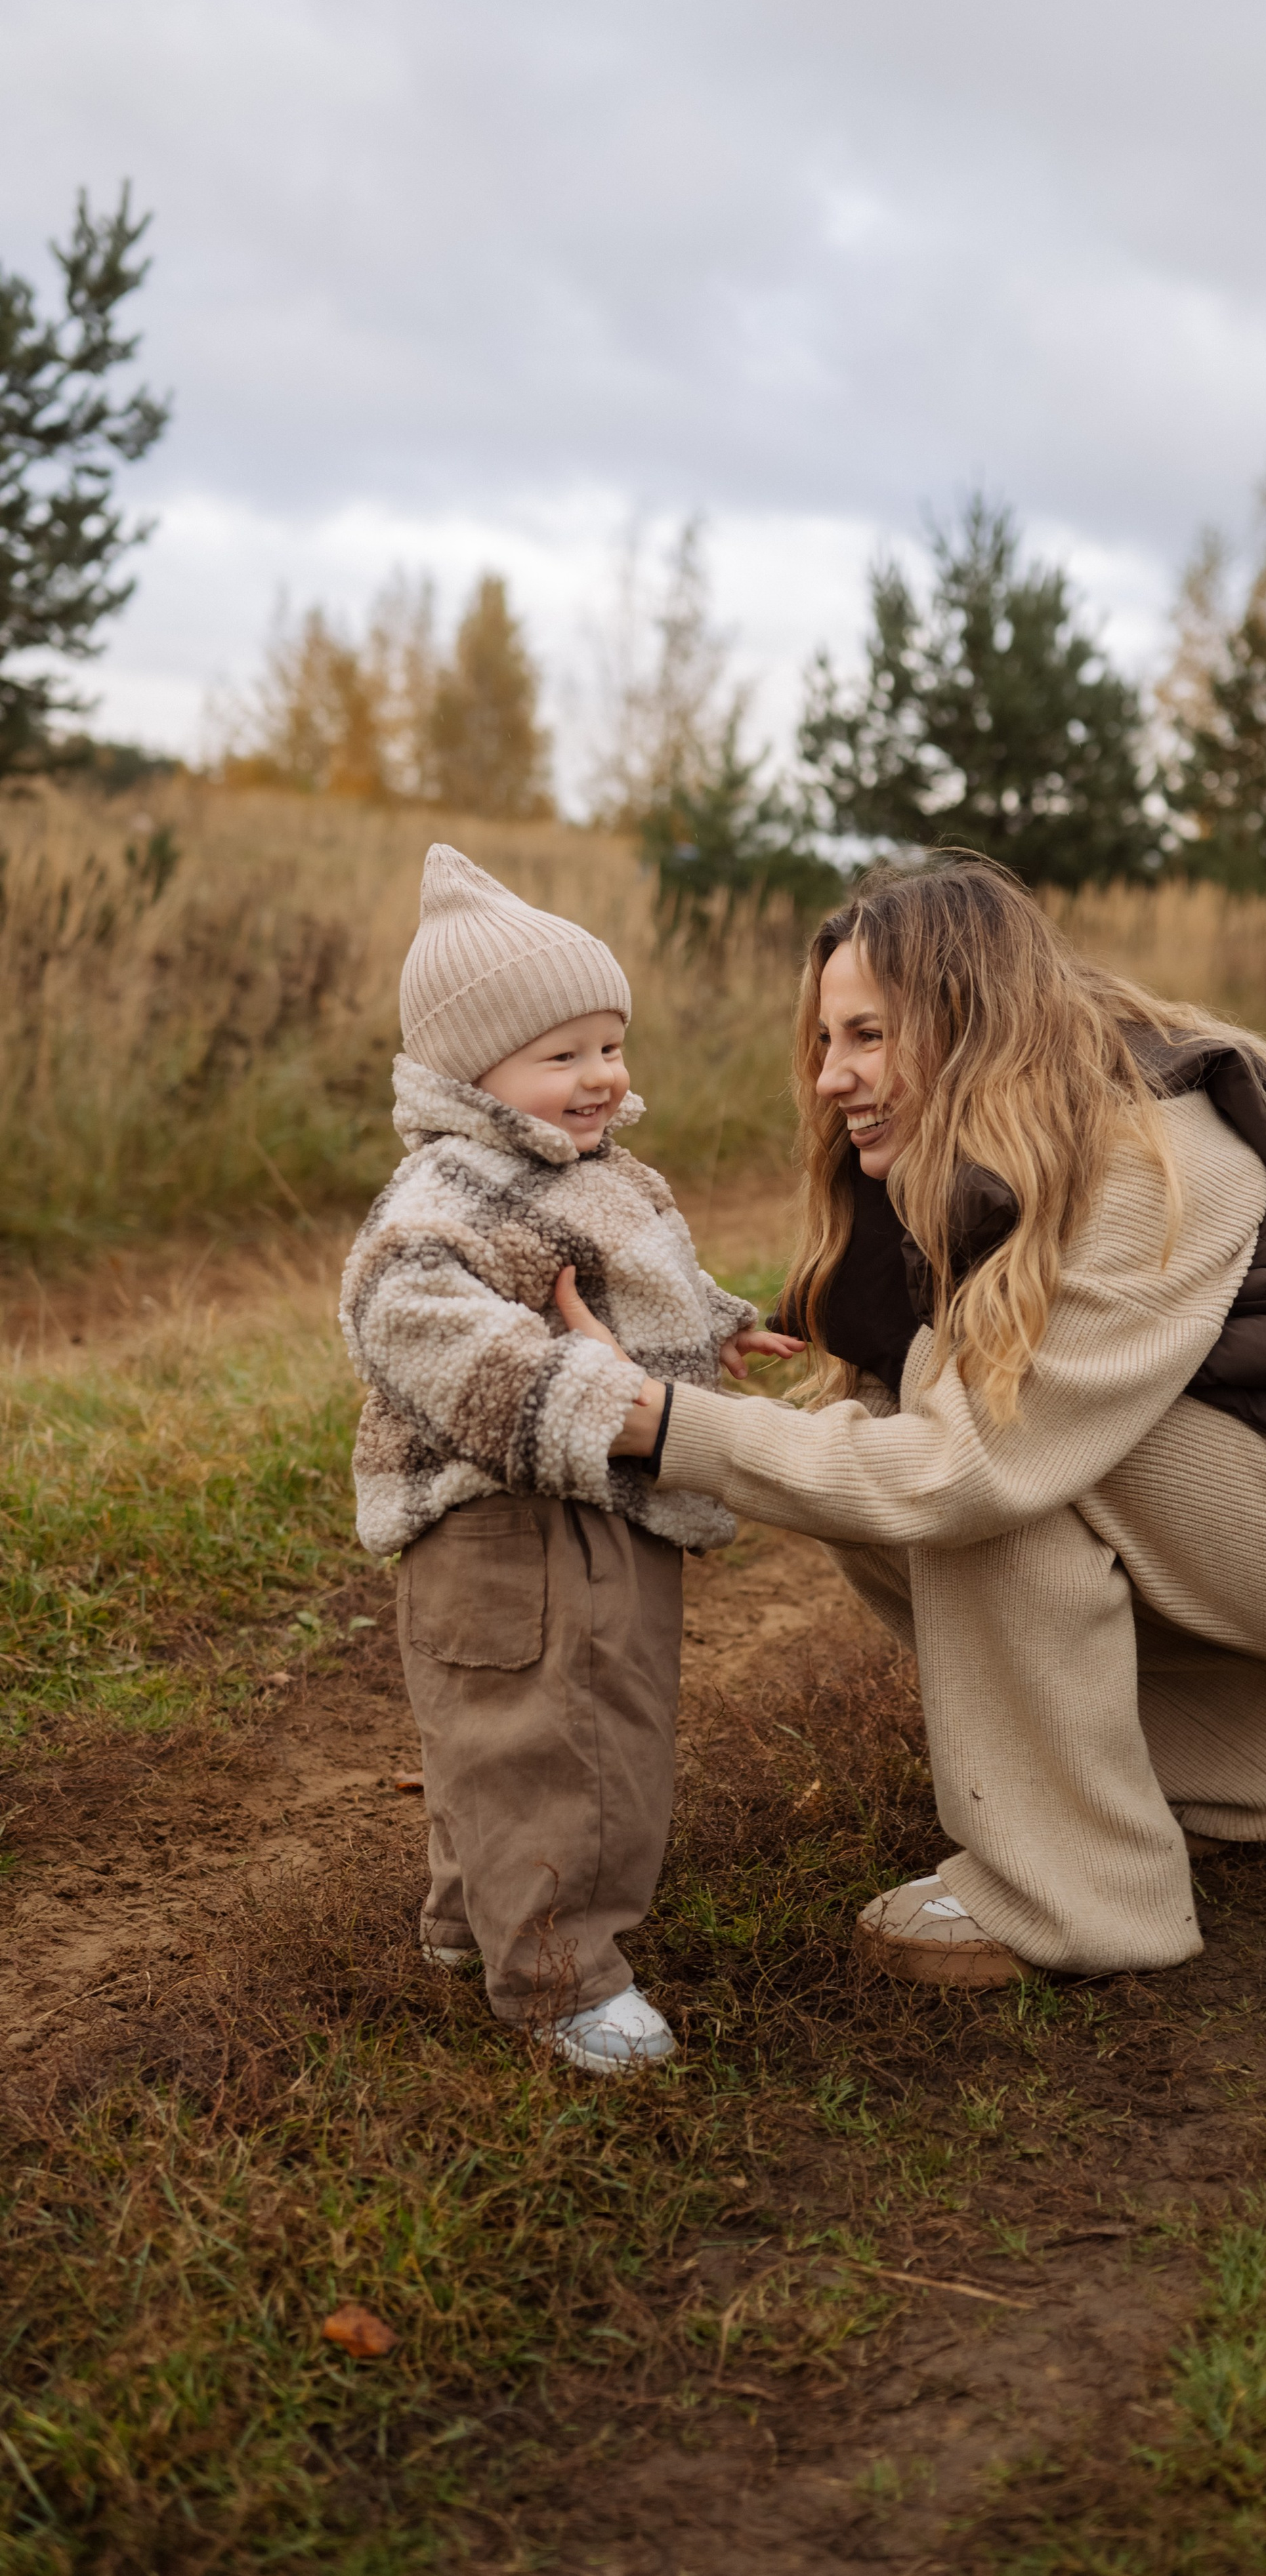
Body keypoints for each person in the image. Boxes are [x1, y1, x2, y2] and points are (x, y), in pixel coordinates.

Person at [583, 860, 1266, 1990]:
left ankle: (1079, 1896)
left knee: (980, 1447)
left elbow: (968, 1469)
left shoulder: (1148, 1152)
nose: (831, 1075)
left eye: (867, 1036)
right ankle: (1251, 1762)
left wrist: (661, 1424)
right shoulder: (1012, 1137)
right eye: (824, 1041)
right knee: (889, 1430)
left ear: (964, 1021)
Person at [340, 844, 798, 2071]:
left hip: (597, 1495)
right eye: (563, 1056)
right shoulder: (443, 1193)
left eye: (609, 1044)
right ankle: (562, 1980)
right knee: (563, 1742)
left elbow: (643, 1283)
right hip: (518, 1512)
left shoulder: (583, 1172)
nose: (601, 1076)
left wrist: (717, 1324)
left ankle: (465, 1922)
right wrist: (590, 1394)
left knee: (513, 1729)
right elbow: (409, 1318)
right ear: (467, 1073)